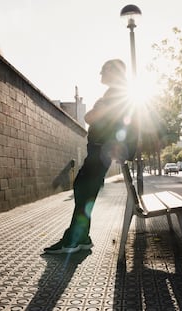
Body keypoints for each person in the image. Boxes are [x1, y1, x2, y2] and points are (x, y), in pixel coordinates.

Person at [44, 59, 137, 254]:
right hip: (101, 150)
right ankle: (82, 237)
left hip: (101, 150)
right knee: (85, 191)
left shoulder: (116, 94)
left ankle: (73, 240)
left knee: (83, 189)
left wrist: (96, 111)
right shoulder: (117, 93)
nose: (101, 74)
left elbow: (92, 117)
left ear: (114, 72)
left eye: (104, 70)